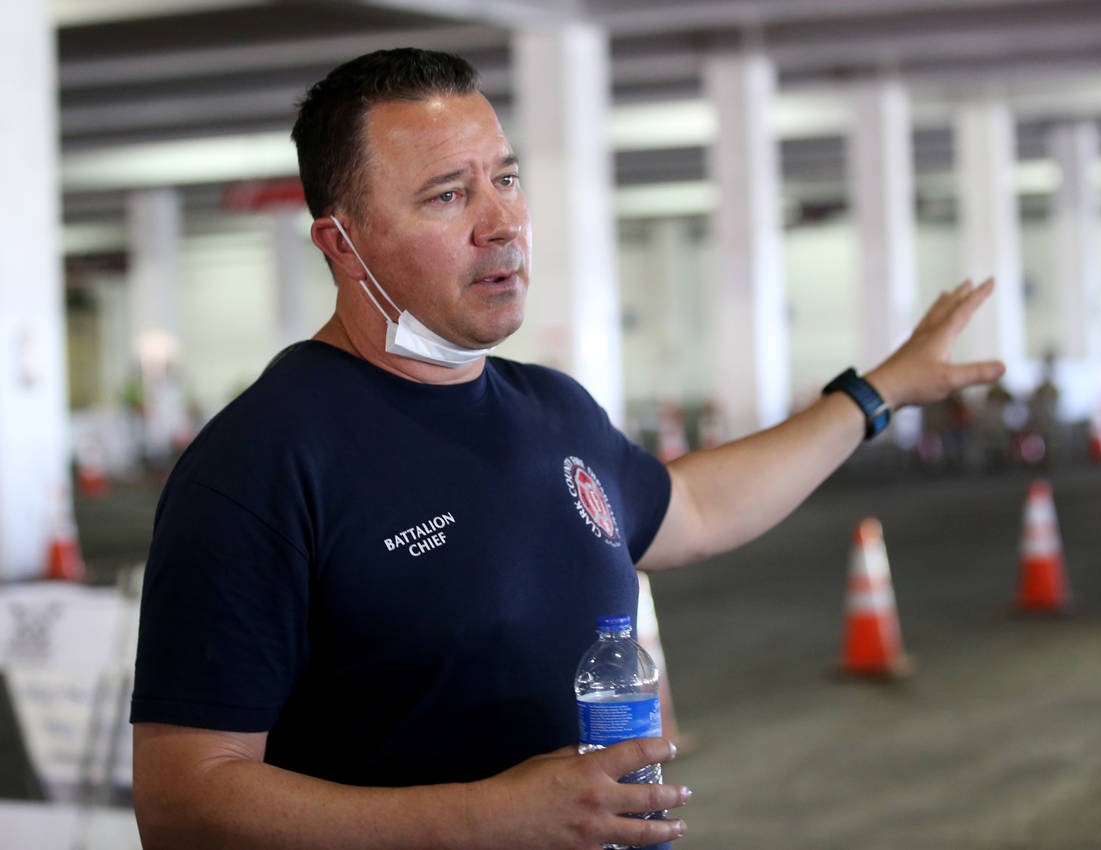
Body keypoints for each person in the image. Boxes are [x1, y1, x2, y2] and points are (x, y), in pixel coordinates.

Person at [130, 47, 1004, 850]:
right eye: (447, 195)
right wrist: (488, 817)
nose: (502, 222)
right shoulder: (261, 463)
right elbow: (182, 798)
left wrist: (878, 393)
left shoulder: (550, 409)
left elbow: (693, 508)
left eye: (505, 179)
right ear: (341, 243)